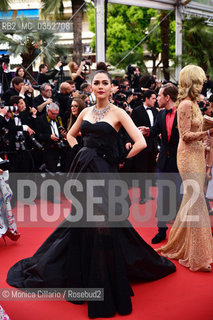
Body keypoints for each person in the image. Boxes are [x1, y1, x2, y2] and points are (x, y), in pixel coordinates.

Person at [7, 70, 175, 318]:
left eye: (105, 83)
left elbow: (140, 141)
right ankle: (83, 276)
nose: (100, 86)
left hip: (105, 174)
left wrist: (117, 158)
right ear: (91, 86)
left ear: (111, 88)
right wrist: (81, 153)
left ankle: (103, 283)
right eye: (96, 82)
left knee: (103, 223)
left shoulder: (118, 113)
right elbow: (72, 135)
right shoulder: (85, 112)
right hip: (83, 171)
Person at [156, 65, 213, 272]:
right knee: (197, 200)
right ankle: (198, 257)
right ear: (192, 82)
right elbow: (186, 135)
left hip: (197, 153)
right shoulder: (185, 105)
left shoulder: (195, 104)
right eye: (200, 81)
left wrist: (207, 128)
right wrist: (205, 135)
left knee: (190, 201)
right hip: (187, 156)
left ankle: (177, 244)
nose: (203, 84)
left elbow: (198, 127)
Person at [141, 83, 181, 243]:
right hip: (164, 161)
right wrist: (147, 131)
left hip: (180, 162)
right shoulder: (161, 114)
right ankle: (161, 230)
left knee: (179, 197)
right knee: (162, 196)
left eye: (159, 95)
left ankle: (180, 234)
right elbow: (155, 130)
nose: (157, 98)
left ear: (167, 97)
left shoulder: (183, 113)